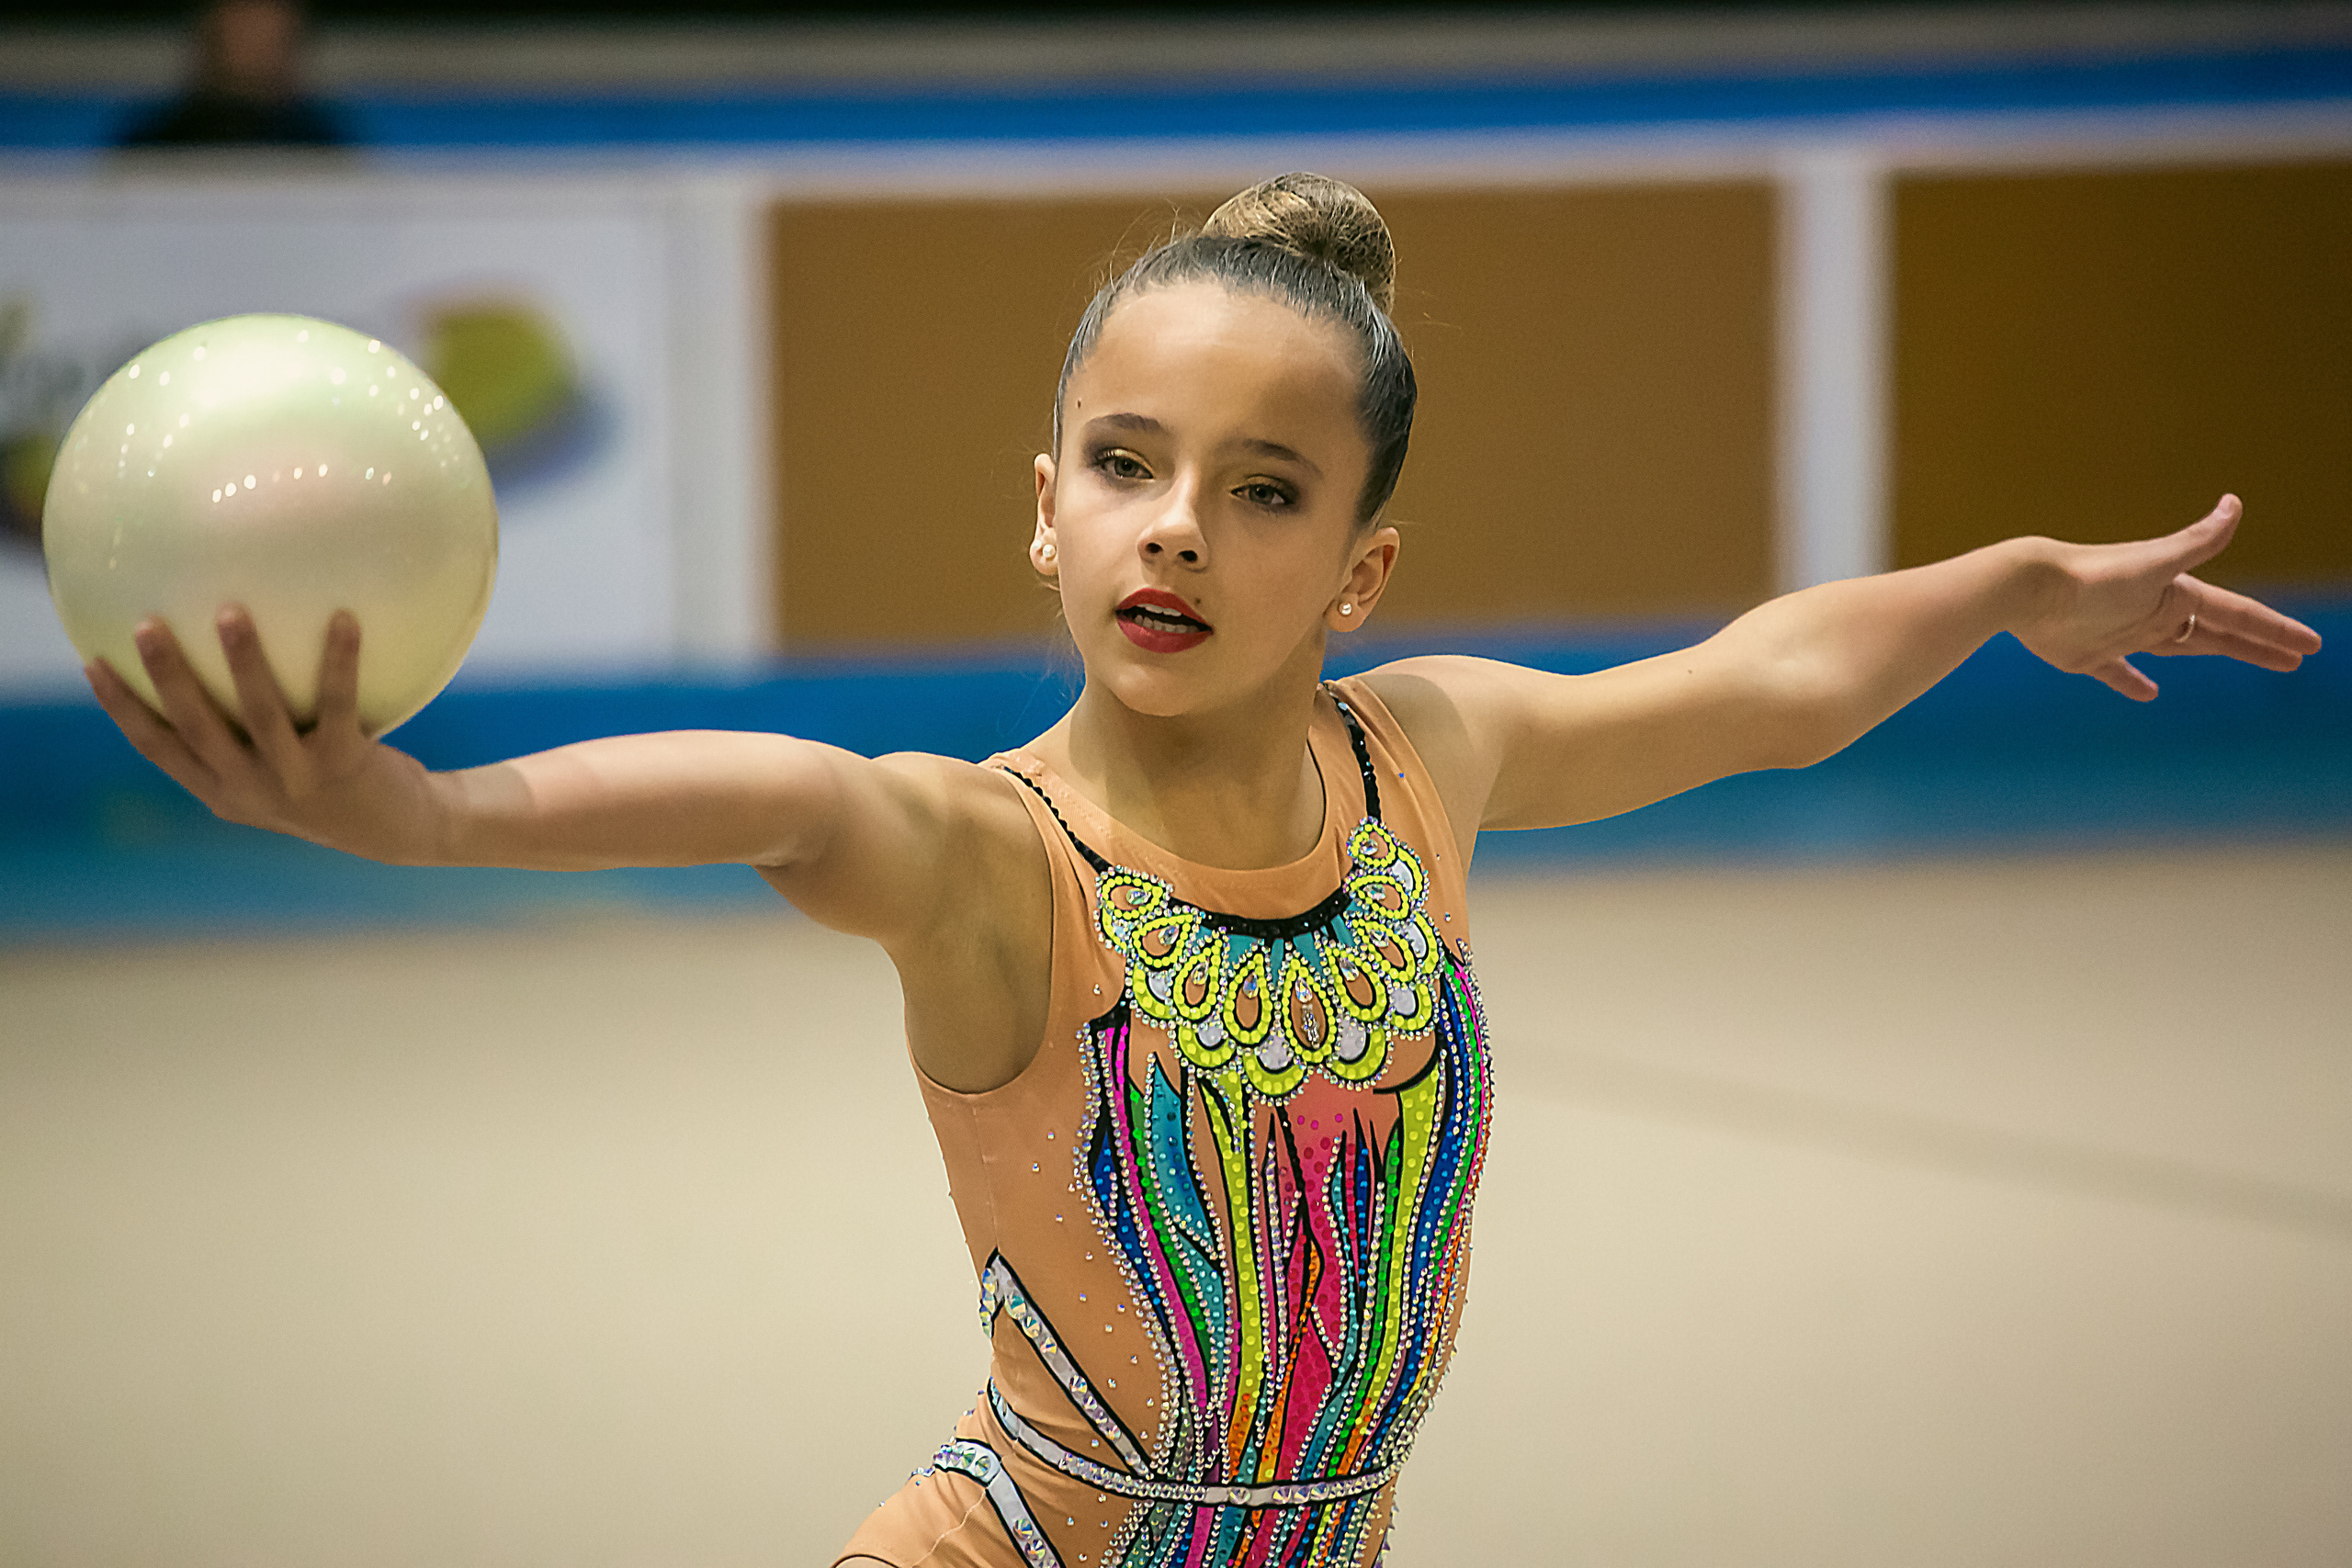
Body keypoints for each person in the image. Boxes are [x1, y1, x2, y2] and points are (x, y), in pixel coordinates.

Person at [84, 174, 2320, 1568]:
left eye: (1260, 490)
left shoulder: (1421, 757)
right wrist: (433, 813)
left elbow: (1757, 682)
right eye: (1125, 463)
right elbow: (784, 792)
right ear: (1044, 505)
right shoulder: (992, 849)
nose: (1174, 526)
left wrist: (2007, 582)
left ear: (1358, 564)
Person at [118, 0, 346, 151]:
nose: (255, 30)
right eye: (243, 10)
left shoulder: (327, 151)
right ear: (208, 28)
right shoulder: (154, 149)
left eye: (270, 10)